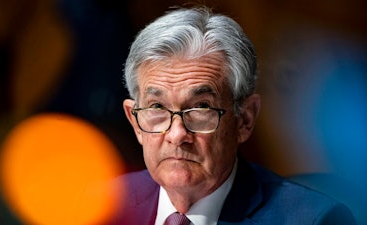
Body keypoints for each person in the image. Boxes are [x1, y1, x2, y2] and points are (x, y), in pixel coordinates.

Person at [110, 6, 357, 225]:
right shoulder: (100, 206)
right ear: (135, 121)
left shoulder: (315, 219)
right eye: (157, 108)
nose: (177, 134)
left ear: (245, 119)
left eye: (201, 108)